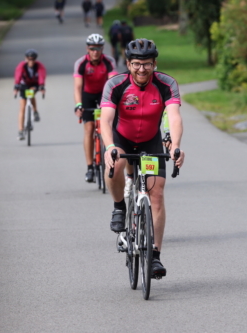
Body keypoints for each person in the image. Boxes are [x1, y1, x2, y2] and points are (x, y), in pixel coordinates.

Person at [100, 39, 185, 278]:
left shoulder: (166, 84)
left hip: (150, 141)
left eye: (147, 64)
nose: (141, 69)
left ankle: (155, 255)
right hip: (122, 139)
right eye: (136, 64)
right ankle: (119, 207)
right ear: (128, 63)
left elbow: (174, 117)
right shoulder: (115, 84)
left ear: (154, 64)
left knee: (156, 194)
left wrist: (175, 146)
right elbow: (105, 120)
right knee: (115, 164)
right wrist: (109, 146)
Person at [73, 34, 118, 182]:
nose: (95, 52)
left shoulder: (109, 61)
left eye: (98, 48)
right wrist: (79, 104)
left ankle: (108, 160)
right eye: (92, 48)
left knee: (107, 126)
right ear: (87, 48)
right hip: (87, 96)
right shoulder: (81, 63)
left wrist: (114, 102)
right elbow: (78, 86)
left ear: (102, 49)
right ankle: (90, 167)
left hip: (103, 95)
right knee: (89, 128)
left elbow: (113, 83)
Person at [14, 49, 46, 140]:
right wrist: (16, 86)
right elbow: (18, 75)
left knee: (31, 93)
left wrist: (42, 86)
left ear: (35, 59)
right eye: (29, 59)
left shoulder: (39, 66)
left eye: (33, 59)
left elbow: (41, 75)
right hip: (24, 85)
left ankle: (35, 111)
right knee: (22, 107)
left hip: (34, 84)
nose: (31, 62)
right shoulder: (22, 66)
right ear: (26, 59)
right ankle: (20, 131)